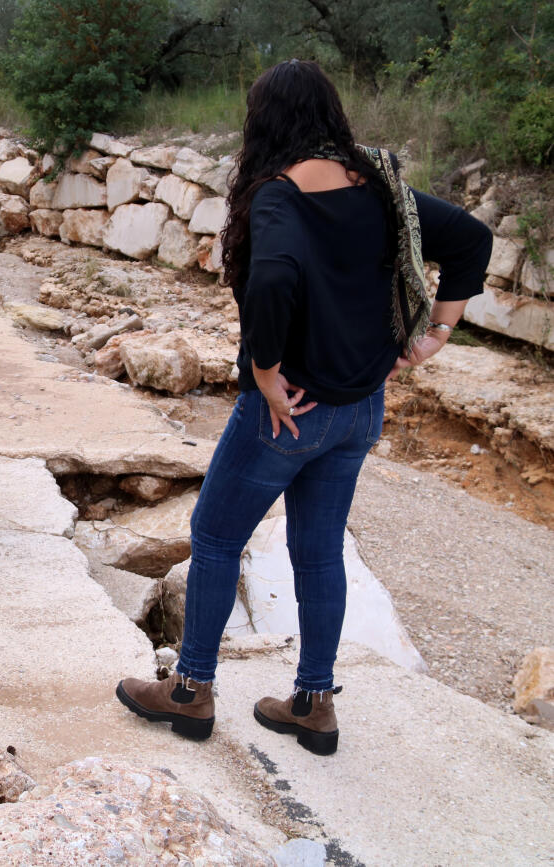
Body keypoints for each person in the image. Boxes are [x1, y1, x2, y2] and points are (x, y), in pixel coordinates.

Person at [115, 59, 491, 755]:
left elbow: (274, 279)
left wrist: (262, 369)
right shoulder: (380, 188)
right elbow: (470, 238)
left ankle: (191, 691)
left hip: (289, 411)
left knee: (217, 535)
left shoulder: (278, 195)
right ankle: (313, 703)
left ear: (265, 122)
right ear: (330, 115)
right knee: (318, 550)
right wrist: (436, 332)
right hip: (359, 409)